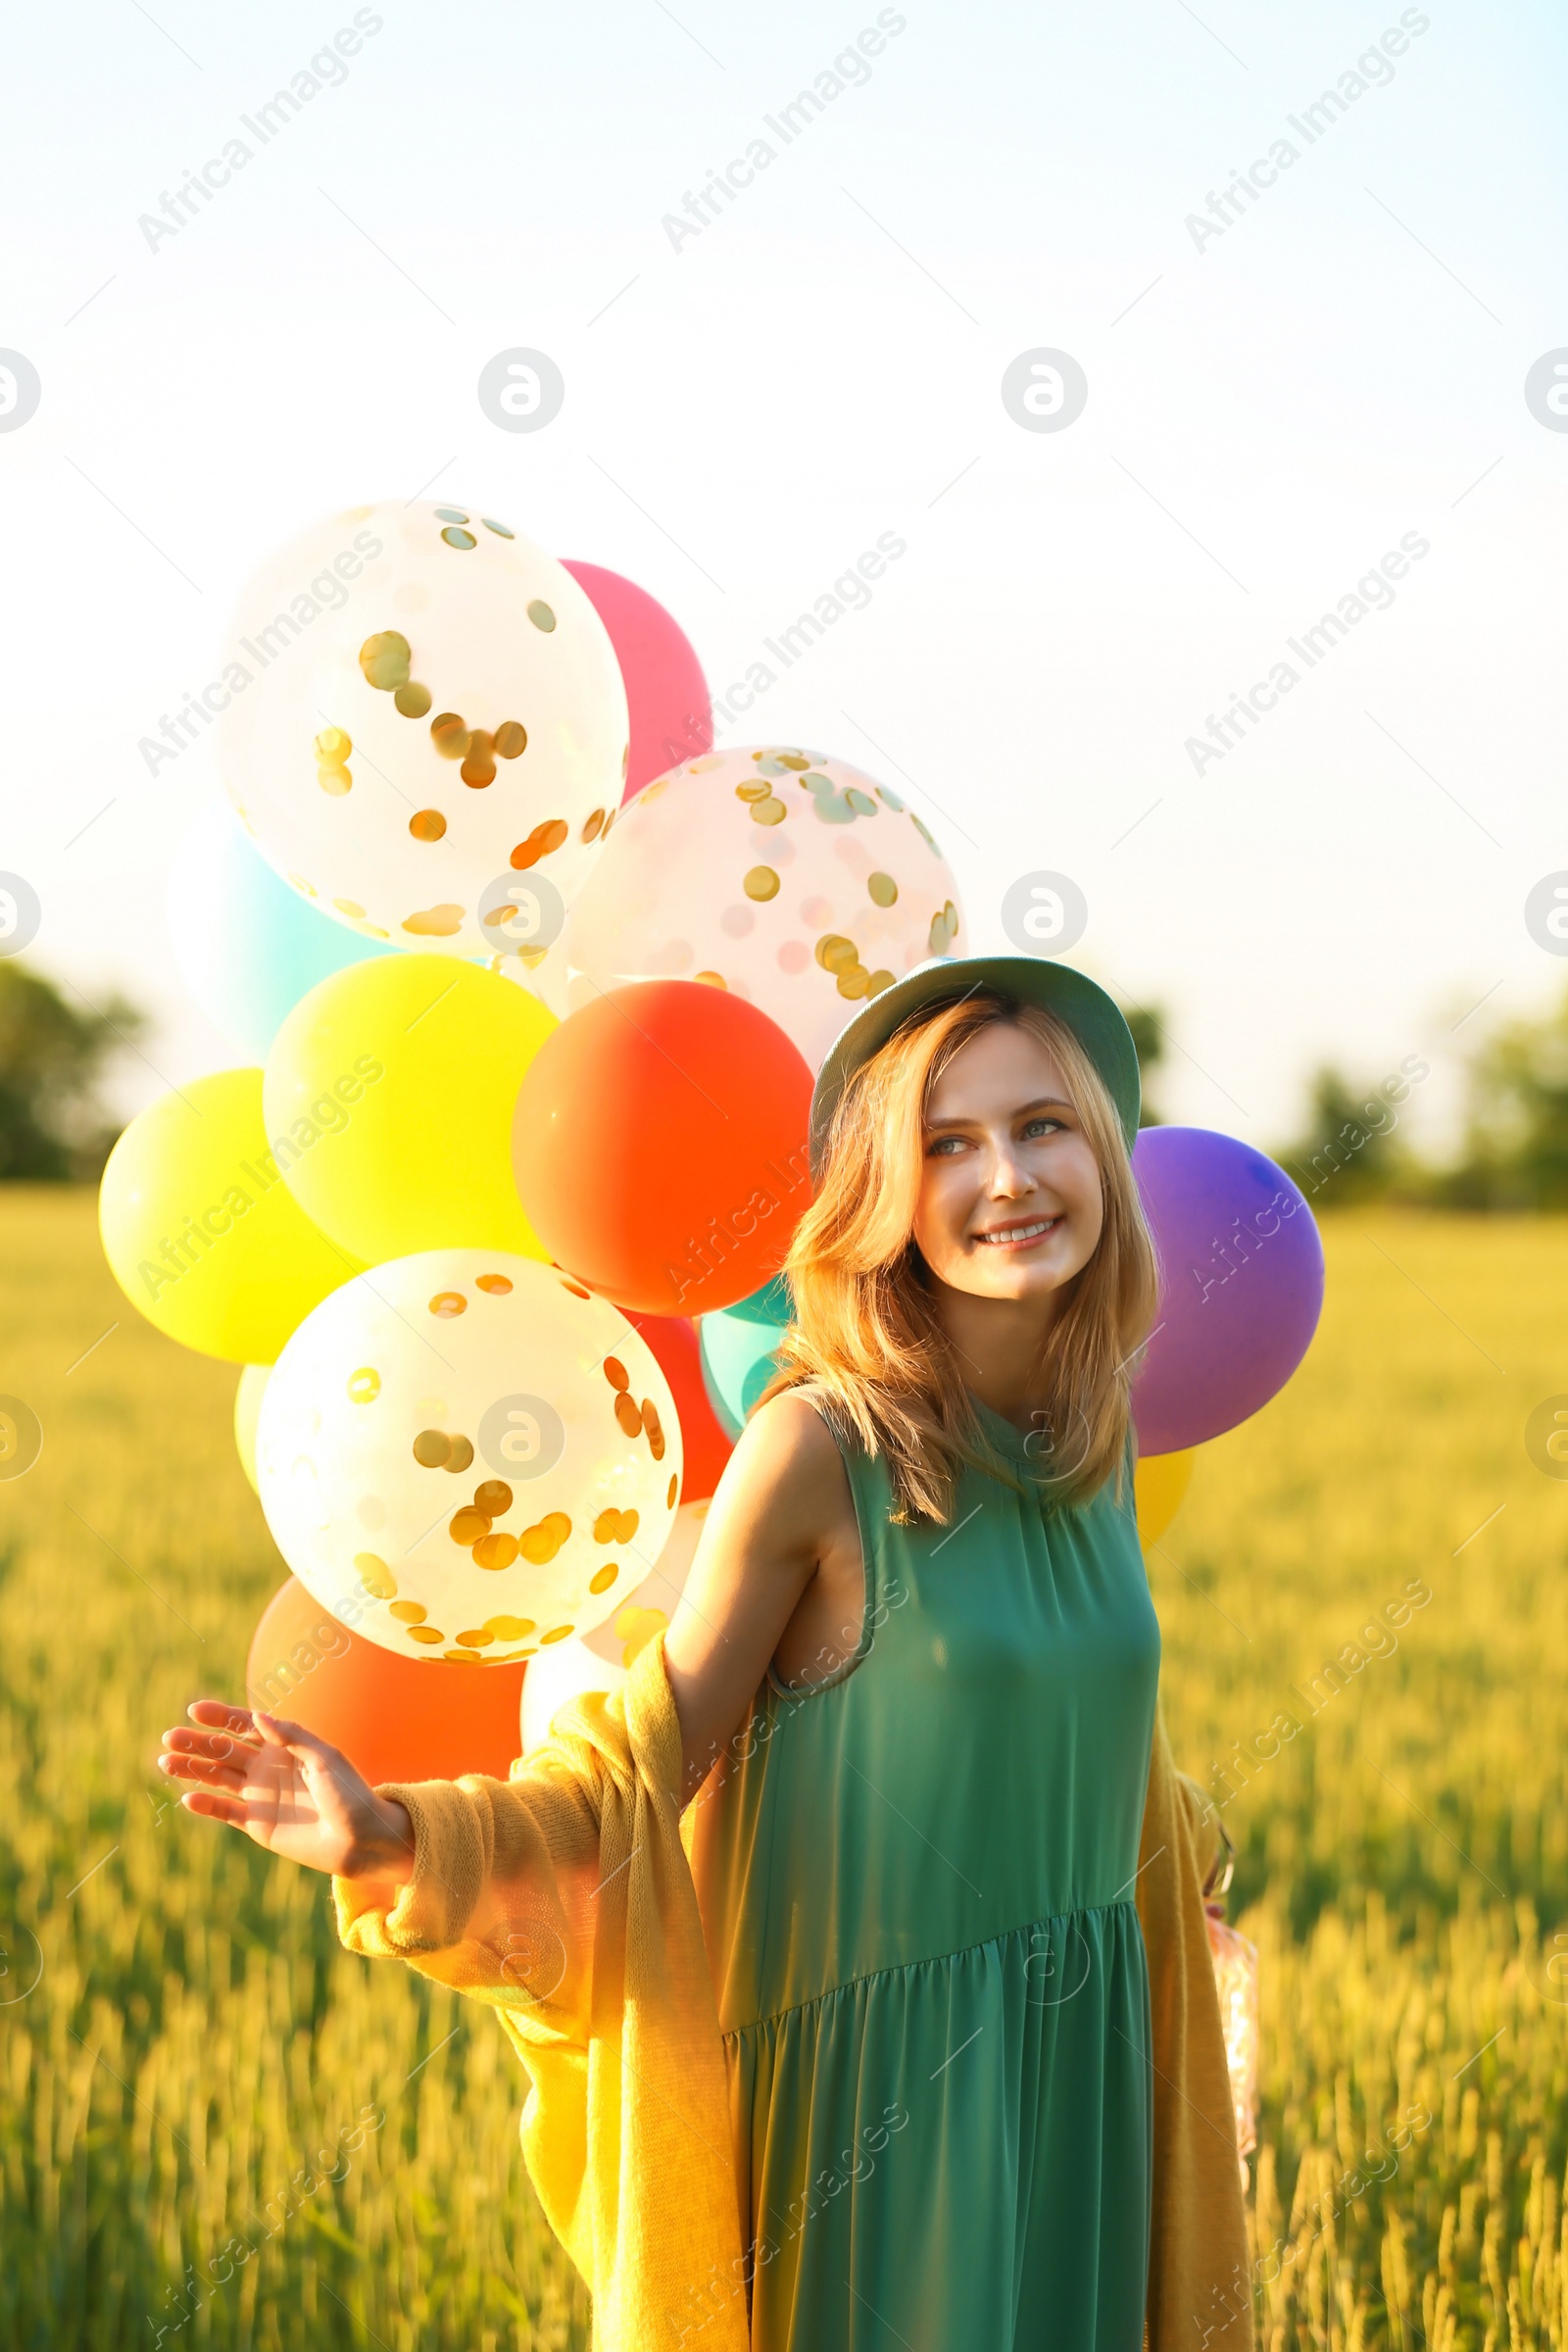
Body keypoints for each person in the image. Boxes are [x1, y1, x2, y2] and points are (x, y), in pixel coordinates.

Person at [158, 954, 1250, 2352]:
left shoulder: (1085, 1447)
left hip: (1082, 2066)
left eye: (1041, 1125)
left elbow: (1099, 1749)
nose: (1008, 1178)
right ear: (886, 1198)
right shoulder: (827, 1453)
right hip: (892, 2111)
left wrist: (1182, 1876)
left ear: (1100, 1145)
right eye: (946, 1145)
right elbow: (640, 1762)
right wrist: (393, 1837)